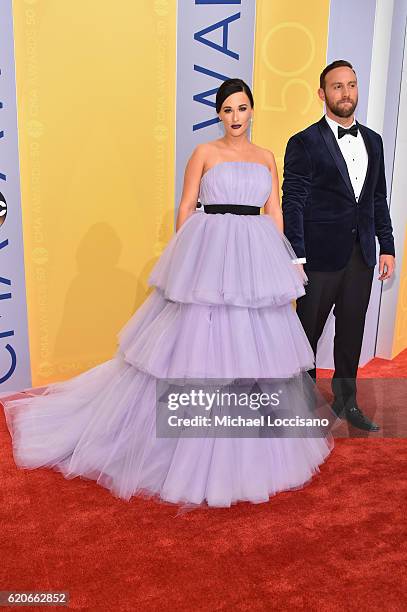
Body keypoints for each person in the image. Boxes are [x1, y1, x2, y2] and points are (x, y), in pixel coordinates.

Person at [2, 79, 334, 510]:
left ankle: (249, 453)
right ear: (219, 114)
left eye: (243, 108)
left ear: (253, 111)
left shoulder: (266, 158)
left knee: (255, 356)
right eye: (228, 109)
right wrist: (187, 258)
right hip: (210, 252)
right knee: (200, 352)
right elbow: (186, 205)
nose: (236, 116)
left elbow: (273, 211)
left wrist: (280, 265)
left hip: (254, 258)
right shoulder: (204, 153)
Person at [282, 60, 396, 432]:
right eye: (337, 87)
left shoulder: (375, 141)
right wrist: (296, 255)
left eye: (351, 85)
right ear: (322, 94)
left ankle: (347, 402)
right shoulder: (303, 142)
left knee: (351, 333)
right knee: (306, 333)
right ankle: (301, 403)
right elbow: (293, 202)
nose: (346, 93)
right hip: (318, 258)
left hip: (361, 256)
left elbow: (377, 198)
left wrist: (387, 246)